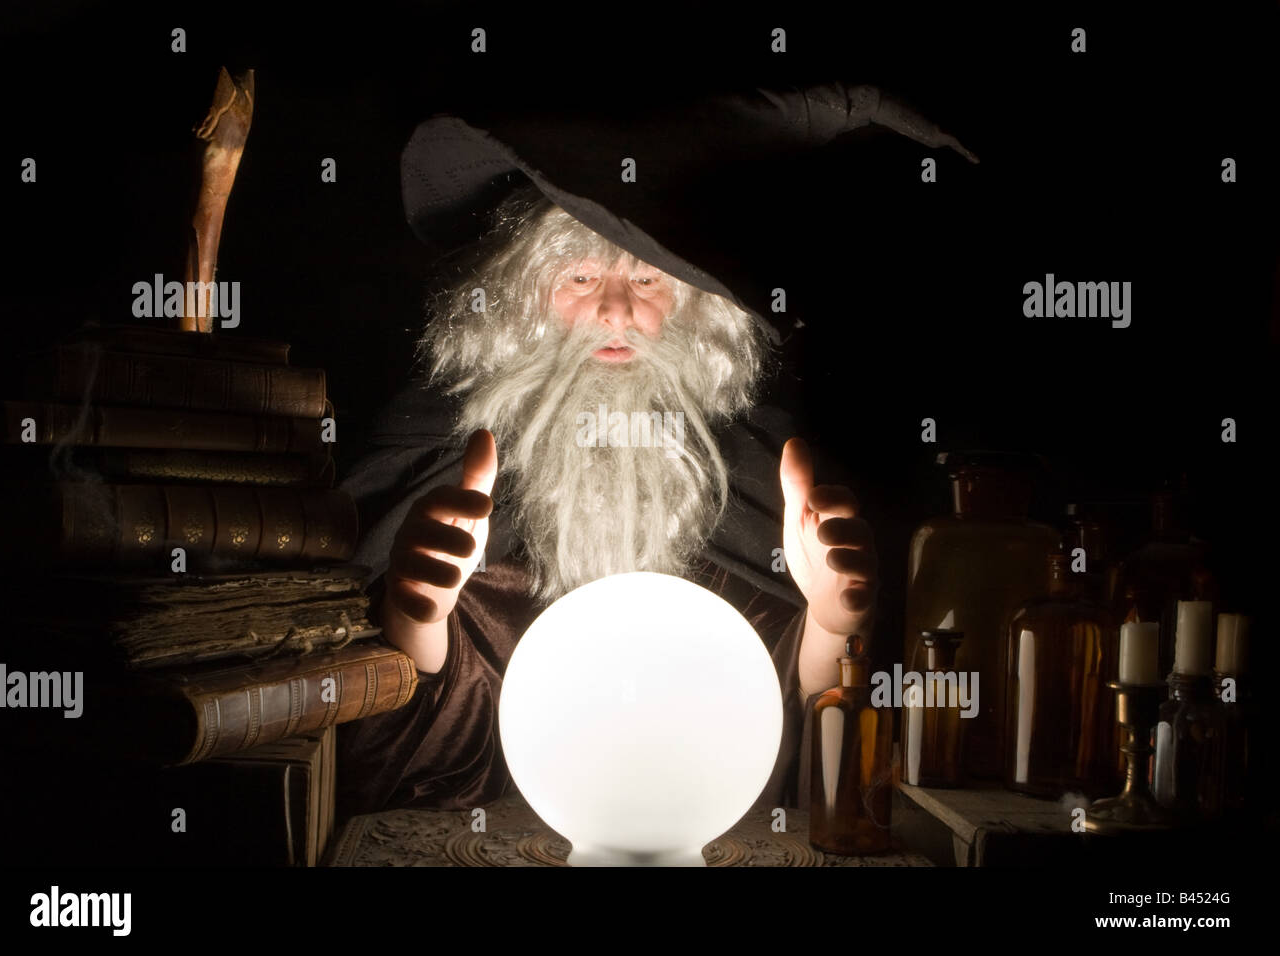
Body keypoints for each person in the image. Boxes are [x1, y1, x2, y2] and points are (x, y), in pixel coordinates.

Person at [336, 84, 975, 817]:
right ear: (518, 294)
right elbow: (390, 766)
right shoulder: (428, 453)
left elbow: (779, 755)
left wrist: (832, 627)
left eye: (646, 278)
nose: (614, 310)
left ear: (697, 307)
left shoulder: (761, 471)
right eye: (579, 277)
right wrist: (415, 624)